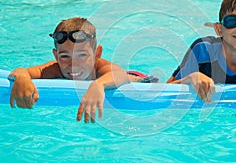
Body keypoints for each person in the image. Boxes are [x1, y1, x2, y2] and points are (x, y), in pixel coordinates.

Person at [8, 17, 156, 123]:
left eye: (82, 55)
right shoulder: (55, 69)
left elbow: (119, 75)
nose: (73, 64)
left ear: (97, 54)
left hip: (138, 78)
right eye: (65, 56)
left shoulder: (101, 67)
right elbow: (21, 71)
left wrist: (98, 85)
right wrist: (22, 78)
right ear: (56, 55)